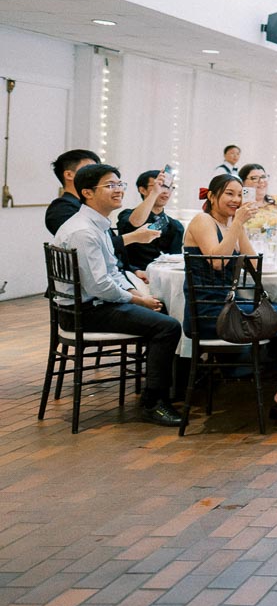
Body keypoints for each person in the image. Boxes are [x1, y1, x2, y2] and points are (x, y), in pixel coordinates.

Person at [184, 174, 277, 427]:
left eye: (240, 194)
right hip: (211, 312)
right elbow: (218, 262)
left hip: (229, 306)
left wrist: (241, 227)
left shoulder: (229, 224)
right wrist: (236, 224)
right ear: (212, 196)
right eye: (229, 193)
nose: (236, 199)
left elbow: (251, 264)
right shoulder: (202, 220)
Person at [53, 164, 184, 427]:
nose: (118, 190)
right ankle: (154, 402)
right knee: (168, 326)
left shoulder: (96, 224)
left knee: (163, 311)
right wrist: (138, 300)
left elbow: (112, 271)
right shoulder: (83, 231)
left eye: (119, 184)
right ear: (87, 192)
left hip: (94, 304)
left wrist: (134, 292)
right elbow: (100, 285)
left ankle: (170, 388)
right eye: (110, 185)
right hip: (86, 312)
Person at [117, 169, 184, 273]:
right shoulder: (127, 215)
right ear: (142, 190)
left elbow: (175, 259)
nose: (166, 191)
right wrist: (154, 193)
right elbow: (134, 223)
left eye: (169, 187)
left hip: (163, 275)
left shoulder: (175, 225)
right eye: (160, 186)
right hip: (132, 273)